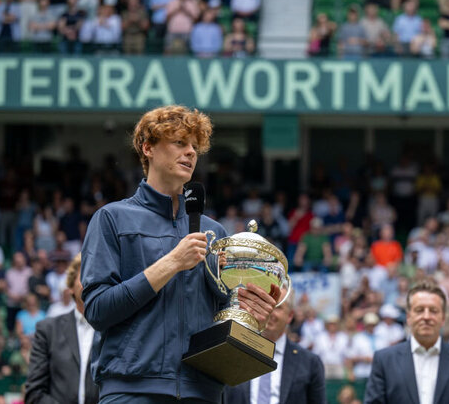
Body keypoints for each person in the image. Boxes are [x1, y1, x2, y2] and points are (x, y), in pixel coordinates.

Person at [81, 105, 279, 403]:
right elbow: (97, 310)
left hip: (202, 392)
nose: (190, 153)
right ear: (147, 148)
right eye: (179, 143)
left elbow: (222, 317)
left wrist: (251, 314)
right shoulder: (112, 219)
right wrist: (173, 262)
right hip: (132, 391)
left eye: (194, 147)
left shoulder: (215, 233)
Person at [364, 280, 449, 404]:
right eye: (419, 310)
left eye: (433, 311)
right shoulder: (384, 360)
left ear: (443, 318)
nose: (426, 317)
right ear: (408, 317)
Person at [223, 290, 326, 404]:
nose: (269, 312)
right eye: (263, 305)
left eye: (277, 307)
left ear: (290, 316)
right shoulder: (233, 354)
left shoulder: (310, 362)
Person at [25, 253, 100, 404]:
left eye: (97, 275)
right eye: (84, 275)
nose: (91, 281)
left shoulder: (114, 329)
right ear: (70, 286)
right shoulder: (48, 330)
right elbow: (34, 393)